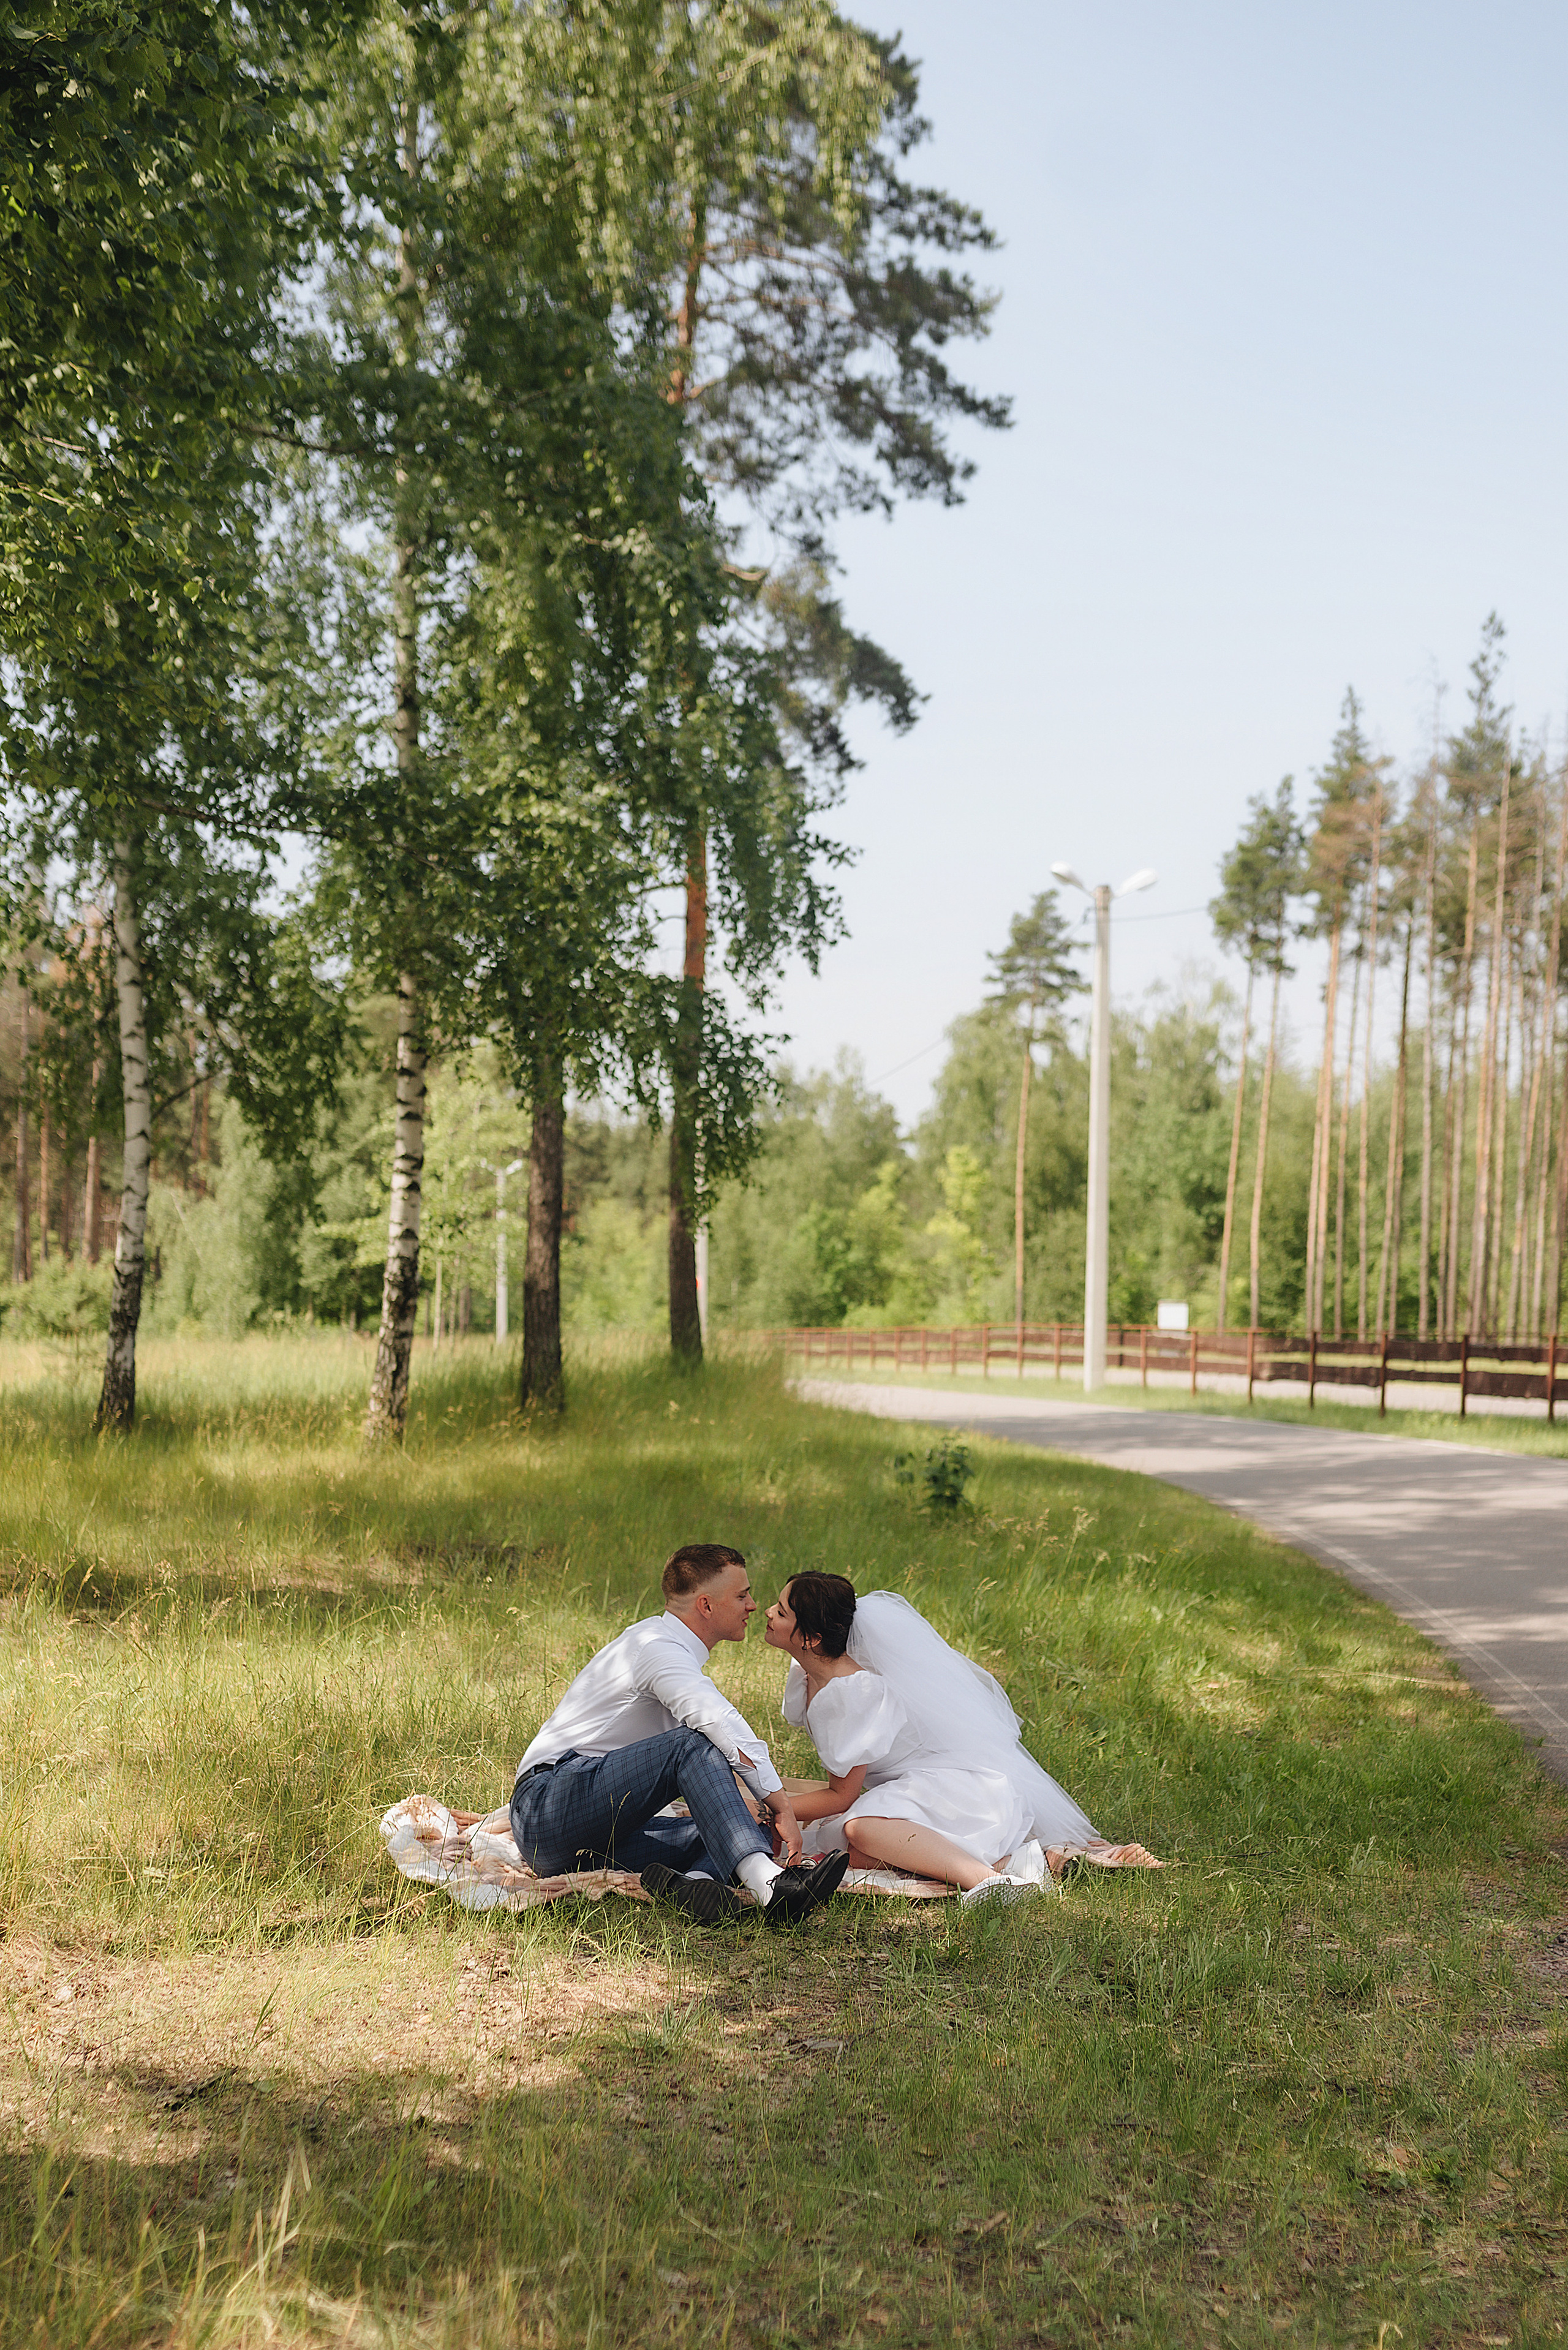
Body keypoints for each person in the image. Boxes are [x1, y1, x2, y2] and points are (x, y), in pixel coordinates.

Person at [511, 1543, 850, 1928]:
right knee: (695, 1742)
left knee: (740, 1823)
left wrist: (763, 1808)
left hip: (594, 1841)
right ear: (706, 1605)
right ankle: (772, 1888)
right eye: (742, 1595)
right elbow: (717, 1721)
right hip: (548, 1811)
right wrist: (781, 1805)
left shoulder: (671, 1650)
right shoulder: (656, 1648)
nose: (753, 1605)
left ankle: (697, 1886)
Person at [764, 1574, 1150, 1908]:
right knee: (858, 1855)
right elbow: (836, 1785)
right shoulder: (808, 1671)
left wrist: (771, 1810)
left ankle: (988, 1881)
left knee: (858, 1830)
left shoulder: (852, 1691)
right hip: (918, 1789)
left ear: (812, 1638)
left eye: (781, 1612)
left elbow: (841, 1796)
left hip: (956, 1789)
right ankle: (1015, 1861)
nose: (767, 1612)